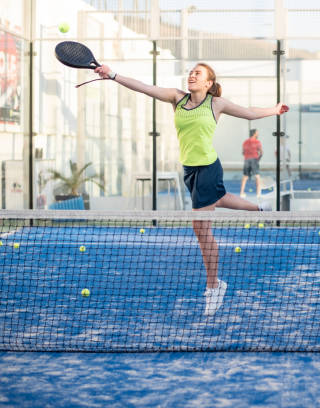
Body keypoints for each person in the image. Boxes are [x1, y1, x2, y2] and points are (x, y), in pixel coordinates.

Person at [94, 62, 288, 316]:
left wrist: (273, 110)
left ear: (209, 83)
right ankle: (261, 208)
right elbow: (144, 88)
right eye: (191, 72)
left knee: (200, 226)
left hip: (208, 166)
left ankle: (214, 286)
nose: (192, 75)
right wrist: (113, 75)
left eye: (198, 73)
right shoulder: (177, 98)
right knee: (218, 198)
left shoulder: (216, 104)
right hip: (190, 170)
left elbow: (249, 112)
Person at [240, 129, 263, 198]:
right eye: (257, 133)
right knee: (257, 177)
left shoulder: (245, 142)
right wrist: (257, 160)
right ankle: (258, 193)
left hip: (247, 160)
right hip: (254, 160)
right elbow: (261, 152)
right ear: (254, 134)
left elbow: (243, 152)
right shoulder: (257, 142)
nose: (258, 134)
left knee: (245, 177)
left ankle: (241, 193)